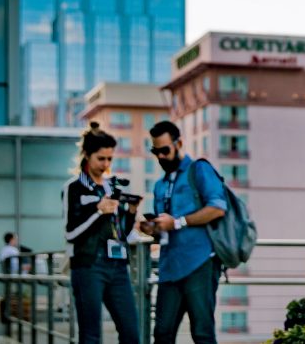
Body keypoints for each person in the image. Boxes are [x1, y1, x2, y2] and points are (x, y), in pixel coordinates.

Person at [138, 120, 226, 344]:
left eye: (165, 150)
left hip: (200, 263)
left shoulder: (199, 170)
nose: (160, 156)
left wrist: (178, 222)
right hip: (169, 267)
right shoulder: (160, 184)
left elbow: (217, 208)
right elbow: (165, 227)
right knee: (162, 334)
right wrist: (153, 228)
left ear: (179, 144)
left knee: (202, 334)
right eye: (155, 151)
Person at [65, 122, 141, 344]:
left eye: (110, 159)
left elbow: (120, 233)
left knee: (131, 333)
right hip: (88, 265)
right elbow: (71, 234)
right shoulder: (74, 187)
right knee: (91, 336)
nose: (106, 164)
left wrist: (131, 213)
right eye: (101, 158)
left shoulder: (111, 186)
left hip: (117, 265)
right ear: (87, 155)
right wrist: (98, 211)